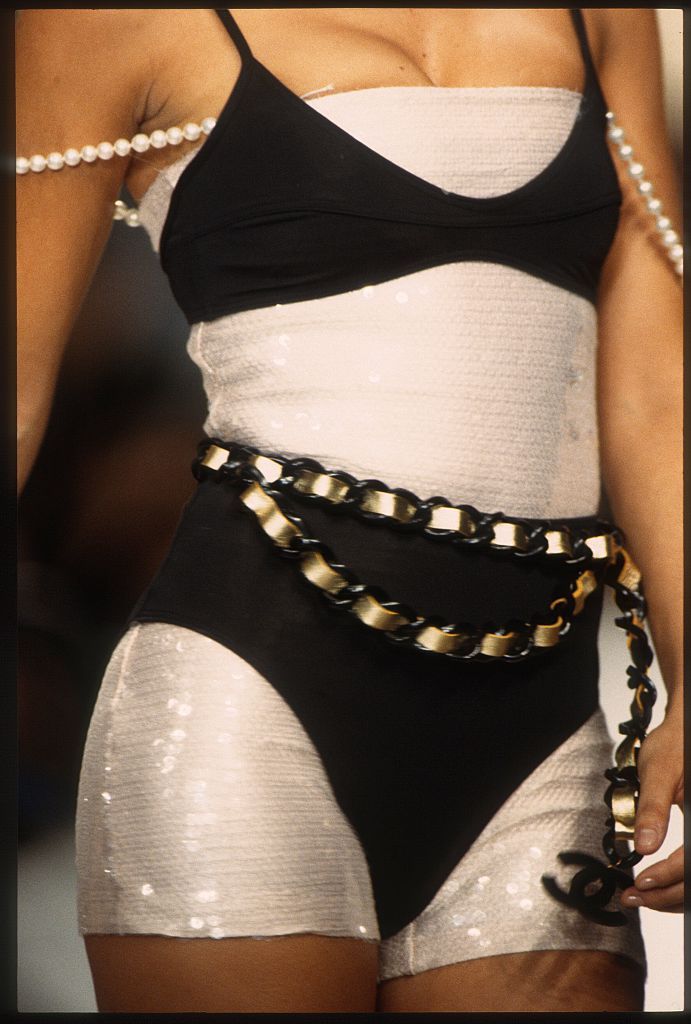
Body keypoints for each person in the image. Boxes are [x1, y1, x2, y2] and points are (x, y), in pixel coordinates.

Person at [16, 8, 682, 1014]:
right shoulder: (108, 18)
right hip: (241, 701)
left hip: (540, 724)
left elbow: (655, 388)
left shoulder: (600, 14)